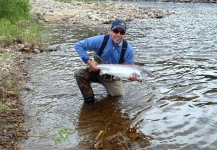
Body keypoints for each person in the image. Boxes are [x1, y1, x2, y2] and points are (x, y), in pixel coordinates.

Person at [74, 19, 137, 103]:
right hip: (95, 71)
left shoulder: (128, 50)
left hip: (111, 78)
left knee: (119, 97)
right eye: (115, 31)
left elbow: (130, 68)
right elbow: (78, 45)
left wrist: (131, 77)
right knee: (79, 74)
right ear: (110, 31)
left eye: (121, 32)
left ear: (124, 34)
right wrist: (89, 62)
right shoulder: (101, 40)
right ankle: (89, 101)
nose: (118, 35)